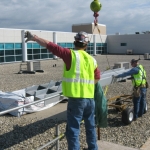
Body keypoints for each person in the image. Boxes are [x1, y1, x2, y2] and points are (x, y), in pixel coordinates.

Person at [24, 31, 100, 150]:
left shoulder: (70, 54)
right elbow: (97, 78)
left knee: (73, 131)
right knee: (90, 128)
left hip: (76, 101)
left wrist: (35, 37)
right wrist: (86, 88)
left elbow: (51, 46)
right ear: (86, 45)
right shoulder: (92, 60)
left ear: (75, 42)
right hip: (90, 100)